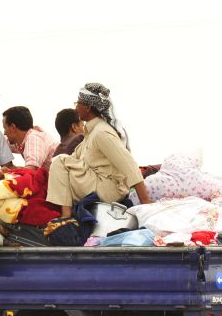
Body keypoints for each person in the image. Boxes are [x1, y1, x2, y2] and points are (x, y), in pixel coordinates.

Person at [47, 83, 151, 219]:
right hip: (97, 184)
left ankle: (66, 216)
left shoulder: (102, 132)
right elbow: (74, 159)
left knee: (59, 161)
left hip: (107, 189)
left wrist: (146, 204)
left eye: (78, 103)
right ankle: (67, 213)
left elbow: (129, 166)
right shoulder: (91, 132)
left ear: (88, 107)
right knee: (62, 163)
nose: (76, 107)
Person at [2, 106, 58, 170]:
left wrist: (10, 172)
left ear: (13, 127)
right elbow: (1, 142)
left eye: (5, 128)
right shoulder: (23, 139)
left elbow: (31, 171)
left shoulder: (34, 139)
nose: (4, 133)